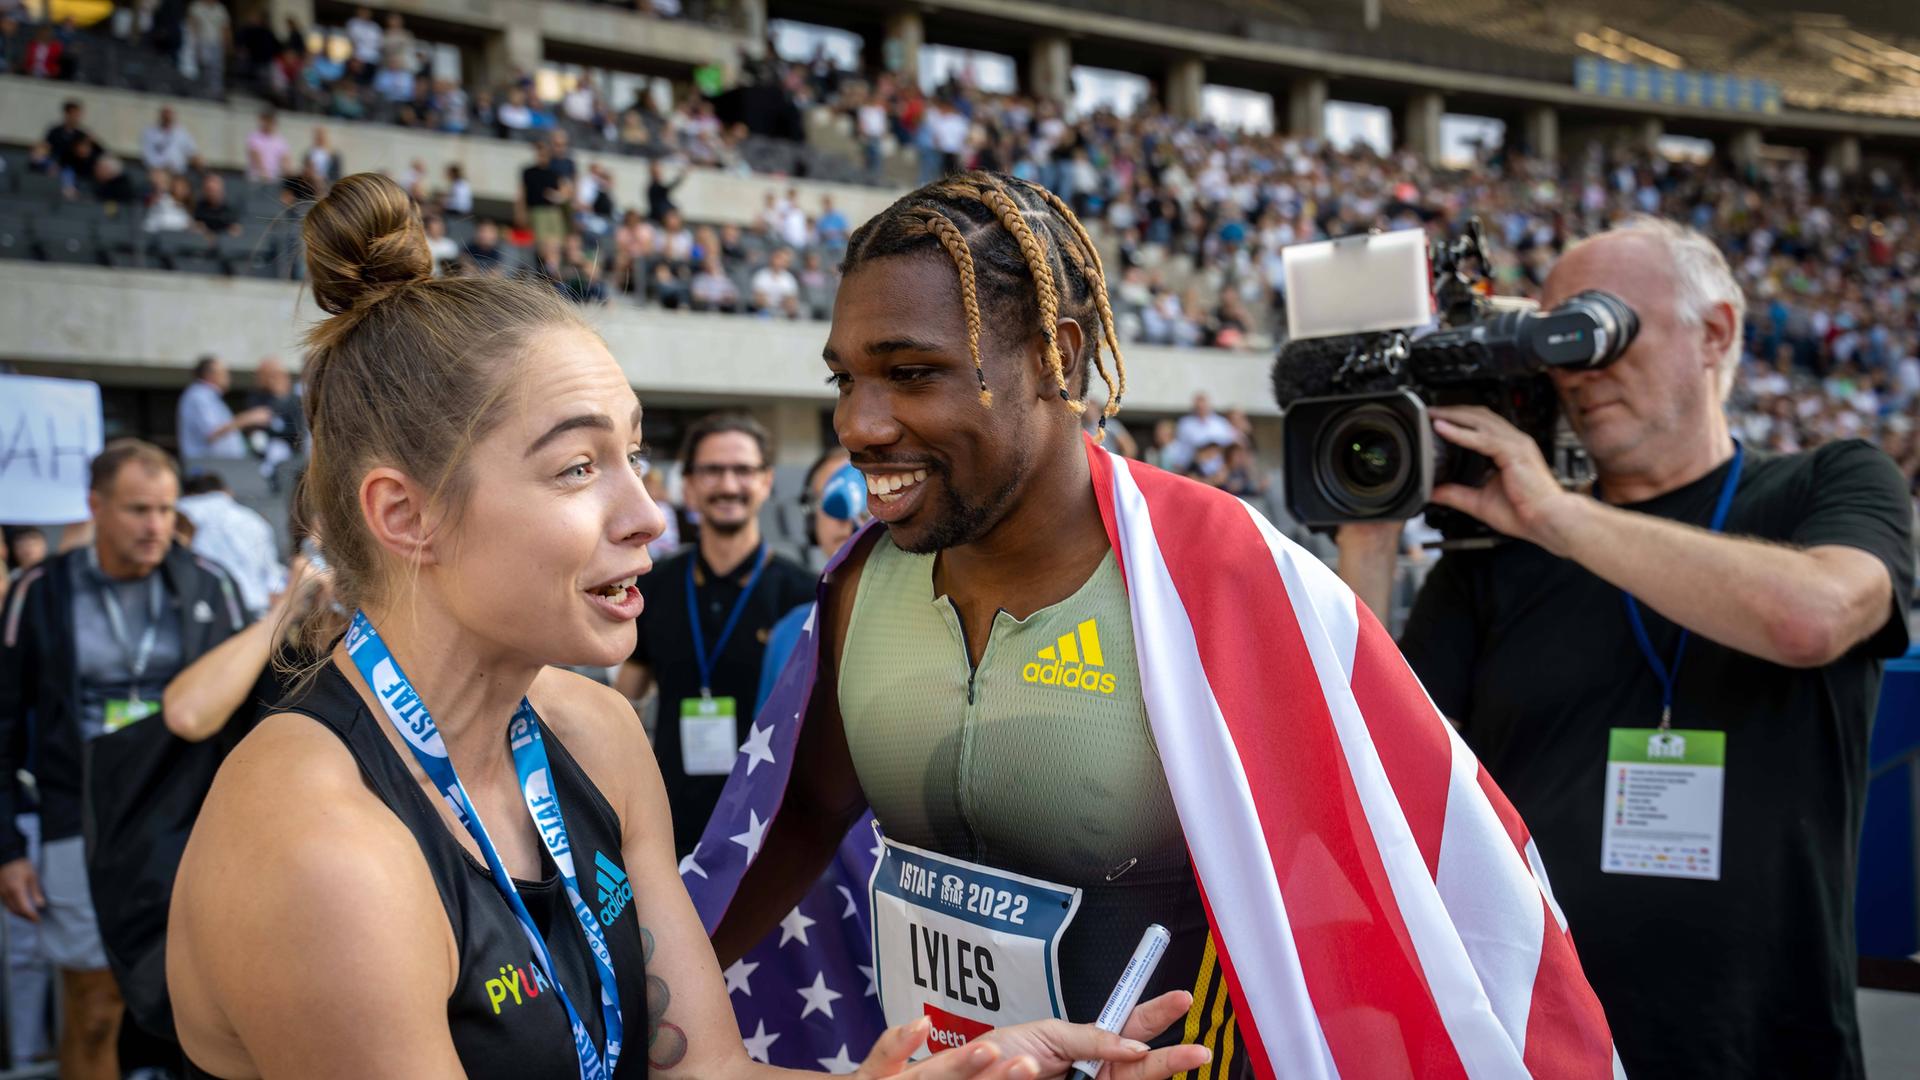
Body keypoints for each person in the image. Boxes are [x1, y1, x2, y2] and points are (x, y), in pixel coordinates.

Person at [165, 171, 1202, 1080]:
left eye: (637, 455)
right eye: (578, 467)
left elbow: (705, 1069)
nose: (649, 516)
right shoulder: (321, 847)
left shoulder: (596, 735)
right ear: (406, 515)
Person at [694, 172, 1617, 1075]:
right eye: (845, 379)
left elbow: (1403, 872)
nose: (858, 424)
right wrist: (657, 1009)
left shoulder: (1219, 573)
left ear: (1055, 356)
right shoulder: (862, 584)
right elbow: (801, 813)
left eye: (910, 374)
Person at [1336, 217, 1914, 1079]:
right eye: (1554, 343)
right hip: (1533, 1043)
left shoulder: (1828, 483)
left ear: (1714, 332)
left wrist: (1558, 515)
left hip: (1766, 1041)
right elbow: (1365, 761)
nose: (1577, 370)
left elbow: (1814, 618)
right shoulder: (1497, 553)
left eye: (1599, 328)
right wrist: (1370, 534)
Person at [0, 440, 248, 1080]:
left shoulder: (209, 581)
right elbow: (3, 721)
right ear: (96, 506)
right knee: (93, 1005)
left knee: (198, 997)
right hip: (78, 817)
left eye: (166, 509)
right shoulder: (40, 590)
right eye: (139, 509)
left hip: (185, 817)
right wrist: (7, 846)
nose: (155, 526)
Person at [616, 413, 814, 858]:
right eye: (712, 470)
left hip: (770, 832)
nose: (728, 484)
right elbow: (627, 698)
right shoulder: (653, 586)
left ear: (766, 481)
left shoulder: (805, 596)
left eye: (742, 470)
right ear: (688, 485)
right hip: (669, 826)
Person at [176, 472, 283, 618]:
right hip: (256, 609)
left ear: (190, 493)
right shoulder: (255, 520)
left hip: (207, 610)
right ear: (227, 491)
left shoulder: (181, 509)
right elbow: (272, 577)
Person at [176, 356, 268, 461]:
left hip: (219, 464)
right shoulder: (199, 395)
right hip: (208, 465)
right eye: (224, 373)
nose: (228, 377)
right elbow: (211, 432)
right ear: (209, 375)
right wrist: (247, 418)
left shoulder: (209, 396)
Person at [140, 106, 199, 175]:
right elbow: (147, 155)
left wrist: (197, 160)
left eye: (169, 117)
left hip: (177, 172)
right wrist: (160, 167)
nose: (168, 119)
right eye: (165, 117)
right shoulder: (150, 132)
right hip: (158, 171)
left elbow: (192, 151)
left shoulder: (181, 132)